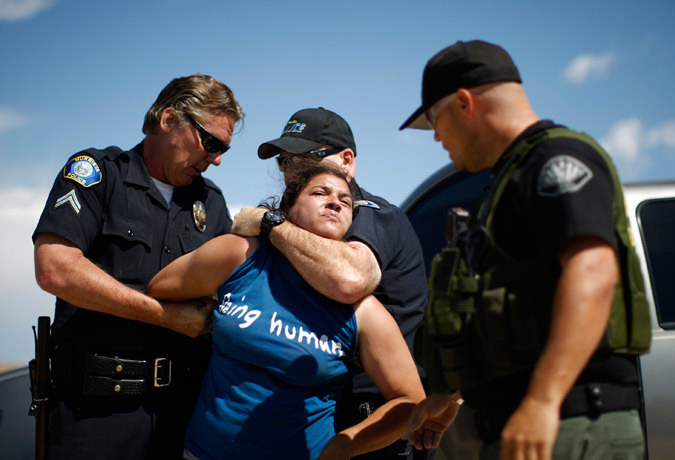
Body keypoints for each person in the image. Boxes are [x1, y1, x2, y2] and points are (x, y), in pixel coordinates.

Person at [400, 40, 651, 460]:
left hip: (570, 424)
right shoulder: (509, 181)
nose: (437, 136)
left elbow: (592, 273)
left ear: (464, 103)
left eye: (434, 119)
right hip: (537, 425)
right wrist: (455, 395)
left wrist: (542, 401)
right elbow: (513, 310)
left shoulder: (556, 160)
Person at [147, 163, 426, 460]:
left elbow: (410, 400)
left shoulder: (362, 311)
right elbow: (160, 288)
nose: (335, 202)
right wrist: (207, 316)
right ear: (288, 207)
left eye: (345, 201)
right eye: (320, 192)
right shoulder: (240, 255)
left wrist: (349, 443)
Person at [32, 74, 242, 460]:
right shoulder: (98, 173)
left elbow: (233, 287)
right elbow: (55, 269)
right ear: (168, 120)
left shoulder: (210, 203)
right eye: (210, 143)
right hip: (95, 415)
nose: (216, 159)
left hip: (183, 414)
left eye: (223, 148)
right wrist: (166, 316)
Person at [231, 107, 430, 459]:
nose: (291, 171)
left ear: (347, 160)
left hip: (377, 414)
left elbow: (350, 279)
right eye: (283, 161)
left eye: (305, 159)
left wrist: (270, 222)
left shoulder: (369, 212)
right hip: (322, 402)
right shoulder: (304, 224)